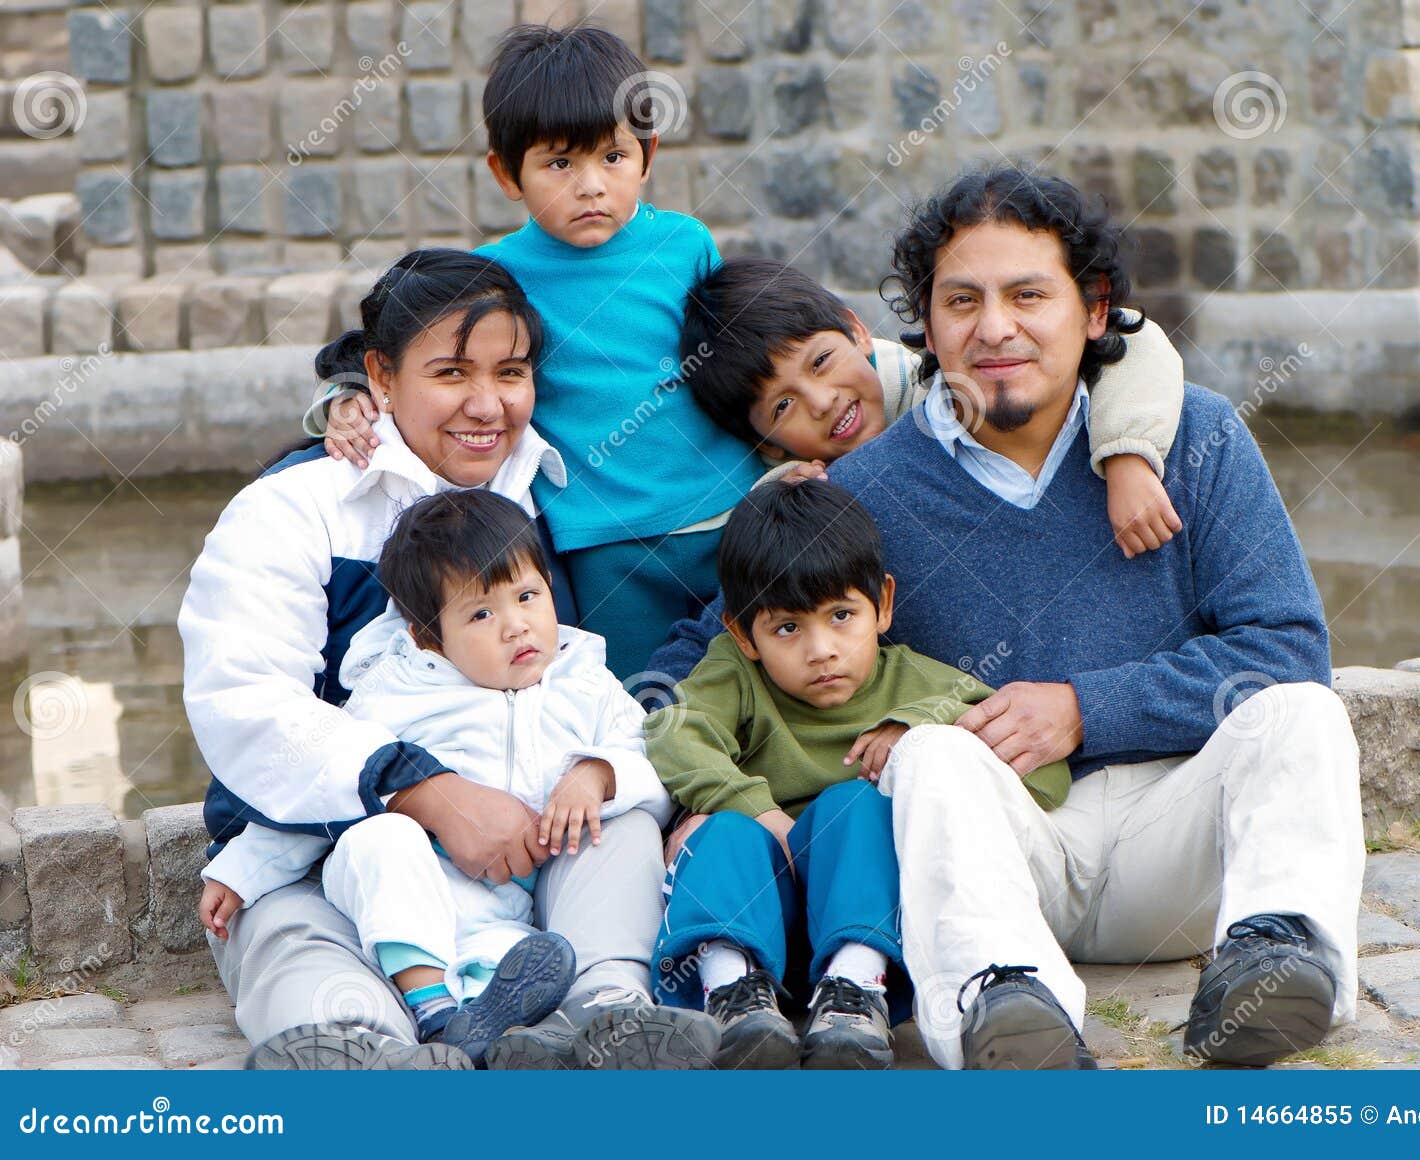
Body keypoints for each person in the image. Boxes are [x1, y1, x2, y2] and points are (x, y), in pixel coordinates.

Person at [653, 167, 1364, 1071]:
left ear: (1094, 311)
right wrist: (655, 770)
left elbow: (1289, 650)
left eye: (1028, 294)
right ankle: (1007, 999)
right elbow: (737, 631)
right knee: (932, 752)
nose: (994, 328)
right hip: (1002, 859)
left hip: (1181, 843)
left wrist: (1082, 707)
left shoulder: (1196, 439)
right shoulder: (866, 490)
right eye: (962, 301)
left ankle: (1272, 957)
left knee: (1304, 712)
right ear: (925, 323)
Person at [180, 249, 694, 1070]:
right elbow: (241, 698)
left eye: (512, 372)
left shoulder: (542, 493)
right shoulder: (293, 509)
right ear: (379, 376)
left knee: (620, 826)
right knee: (307, 956)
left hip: (531, 851)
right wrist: (424, 790)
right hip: (328, 852)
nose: (487, 405)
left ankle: (609, 1015)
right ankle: (376, 1055)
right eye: (451, 373)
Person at [198, 490, 719, 1068]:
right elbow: (327, 789)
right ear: (428, 635)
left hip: (509, 905)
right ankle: (430, 1014)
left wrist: (599, 774)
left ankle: (543, 1025)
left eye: (527, 596)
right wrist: (244, 868)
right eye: (480, 613)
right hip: (403, 891)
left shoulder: (585, 685)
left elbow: (651, 763)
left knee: (608, 846)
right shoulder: (398, 695)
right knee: (379, 835)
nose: (516, 626)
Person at [307, 23, 763, 679]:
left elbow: (746, 352)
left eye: (613, 157)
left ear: (648, 154)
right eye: (559, 163)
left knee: (754, 683)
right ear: (505, 173)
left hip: (732, 516)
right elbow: (393, 335)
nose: (590, 186)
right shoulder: (496, 276)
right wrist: (347, 391)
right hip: (602, 544)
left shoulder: (686, 245)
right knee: (640, 704)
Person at [647, 479, 1082, 1069]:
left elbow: (1044, 776)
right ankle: (735, 1001)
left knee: (854, 806)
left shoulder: (921, 683)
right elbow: (671, 733)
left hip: (869, 918)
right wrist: (758, 811)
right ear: (742, 633)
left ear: (883, 604)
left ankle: (854, 997)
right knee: (718, 830)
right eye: (787, 628)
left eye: (841, 615)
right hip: (757, 905)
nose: (821, 649)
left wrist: (917, 728)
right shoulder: (736, 675)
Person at [677, 255, 1186, 559]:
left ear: (858, 332)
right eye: (783, 405)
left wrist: (1127, 457)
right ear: (766, 442)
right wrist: (785, 504)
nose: (823, 400)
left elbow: (1131, 337)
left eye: (821, 362)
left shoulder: (946, 378)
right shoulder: (809, 479)